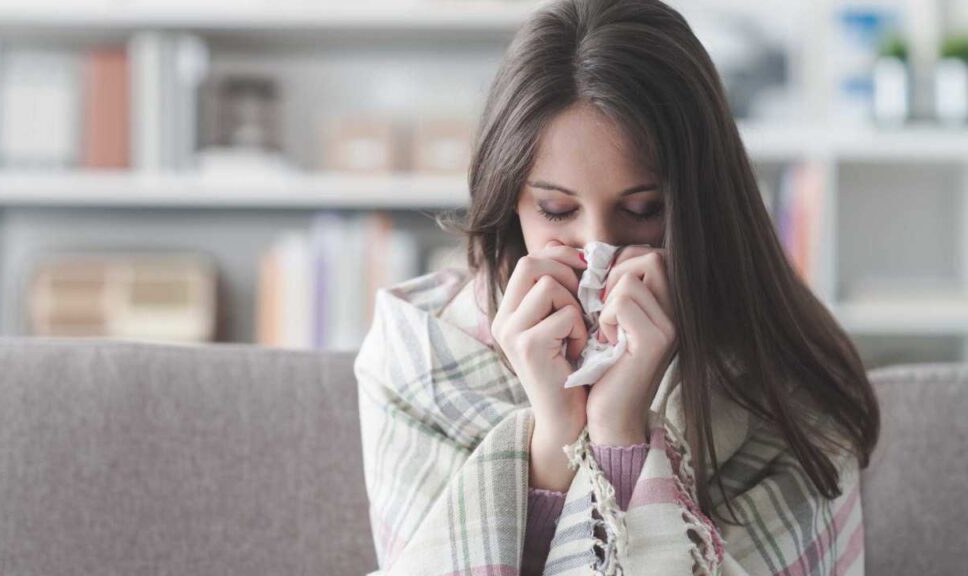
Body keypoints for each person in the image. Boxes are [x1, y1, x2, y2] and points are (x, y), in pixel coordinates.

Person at [354, 0, 880, 574]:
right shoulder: (419, 356)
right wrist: (554, 434)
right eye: (556, 210)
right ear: (510, 201)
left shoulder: (785, 381)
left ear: (701, 202)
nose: (597, 249)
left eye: (642, 209)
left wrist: (620, 434)